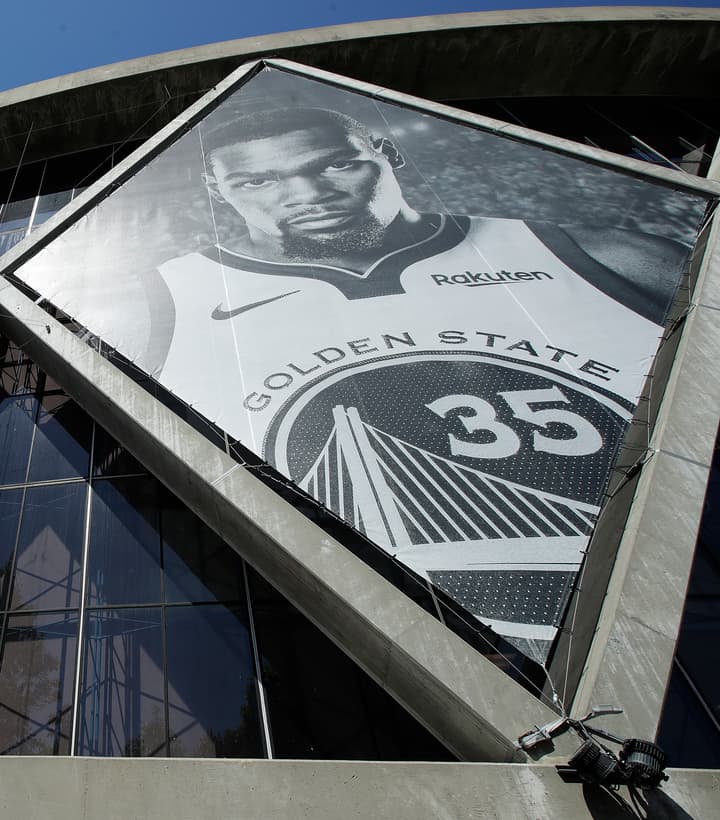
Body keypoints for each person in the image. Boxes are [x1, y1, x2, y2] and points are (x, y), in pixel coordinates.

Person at [148, 105, 692, 658]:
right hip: (369, 652)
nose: (308, 194)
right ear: (221, 193)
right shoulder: (162, 301)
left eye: (336, 166)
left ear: (389, 155)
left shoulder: (606, 255)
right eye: (257, 181)